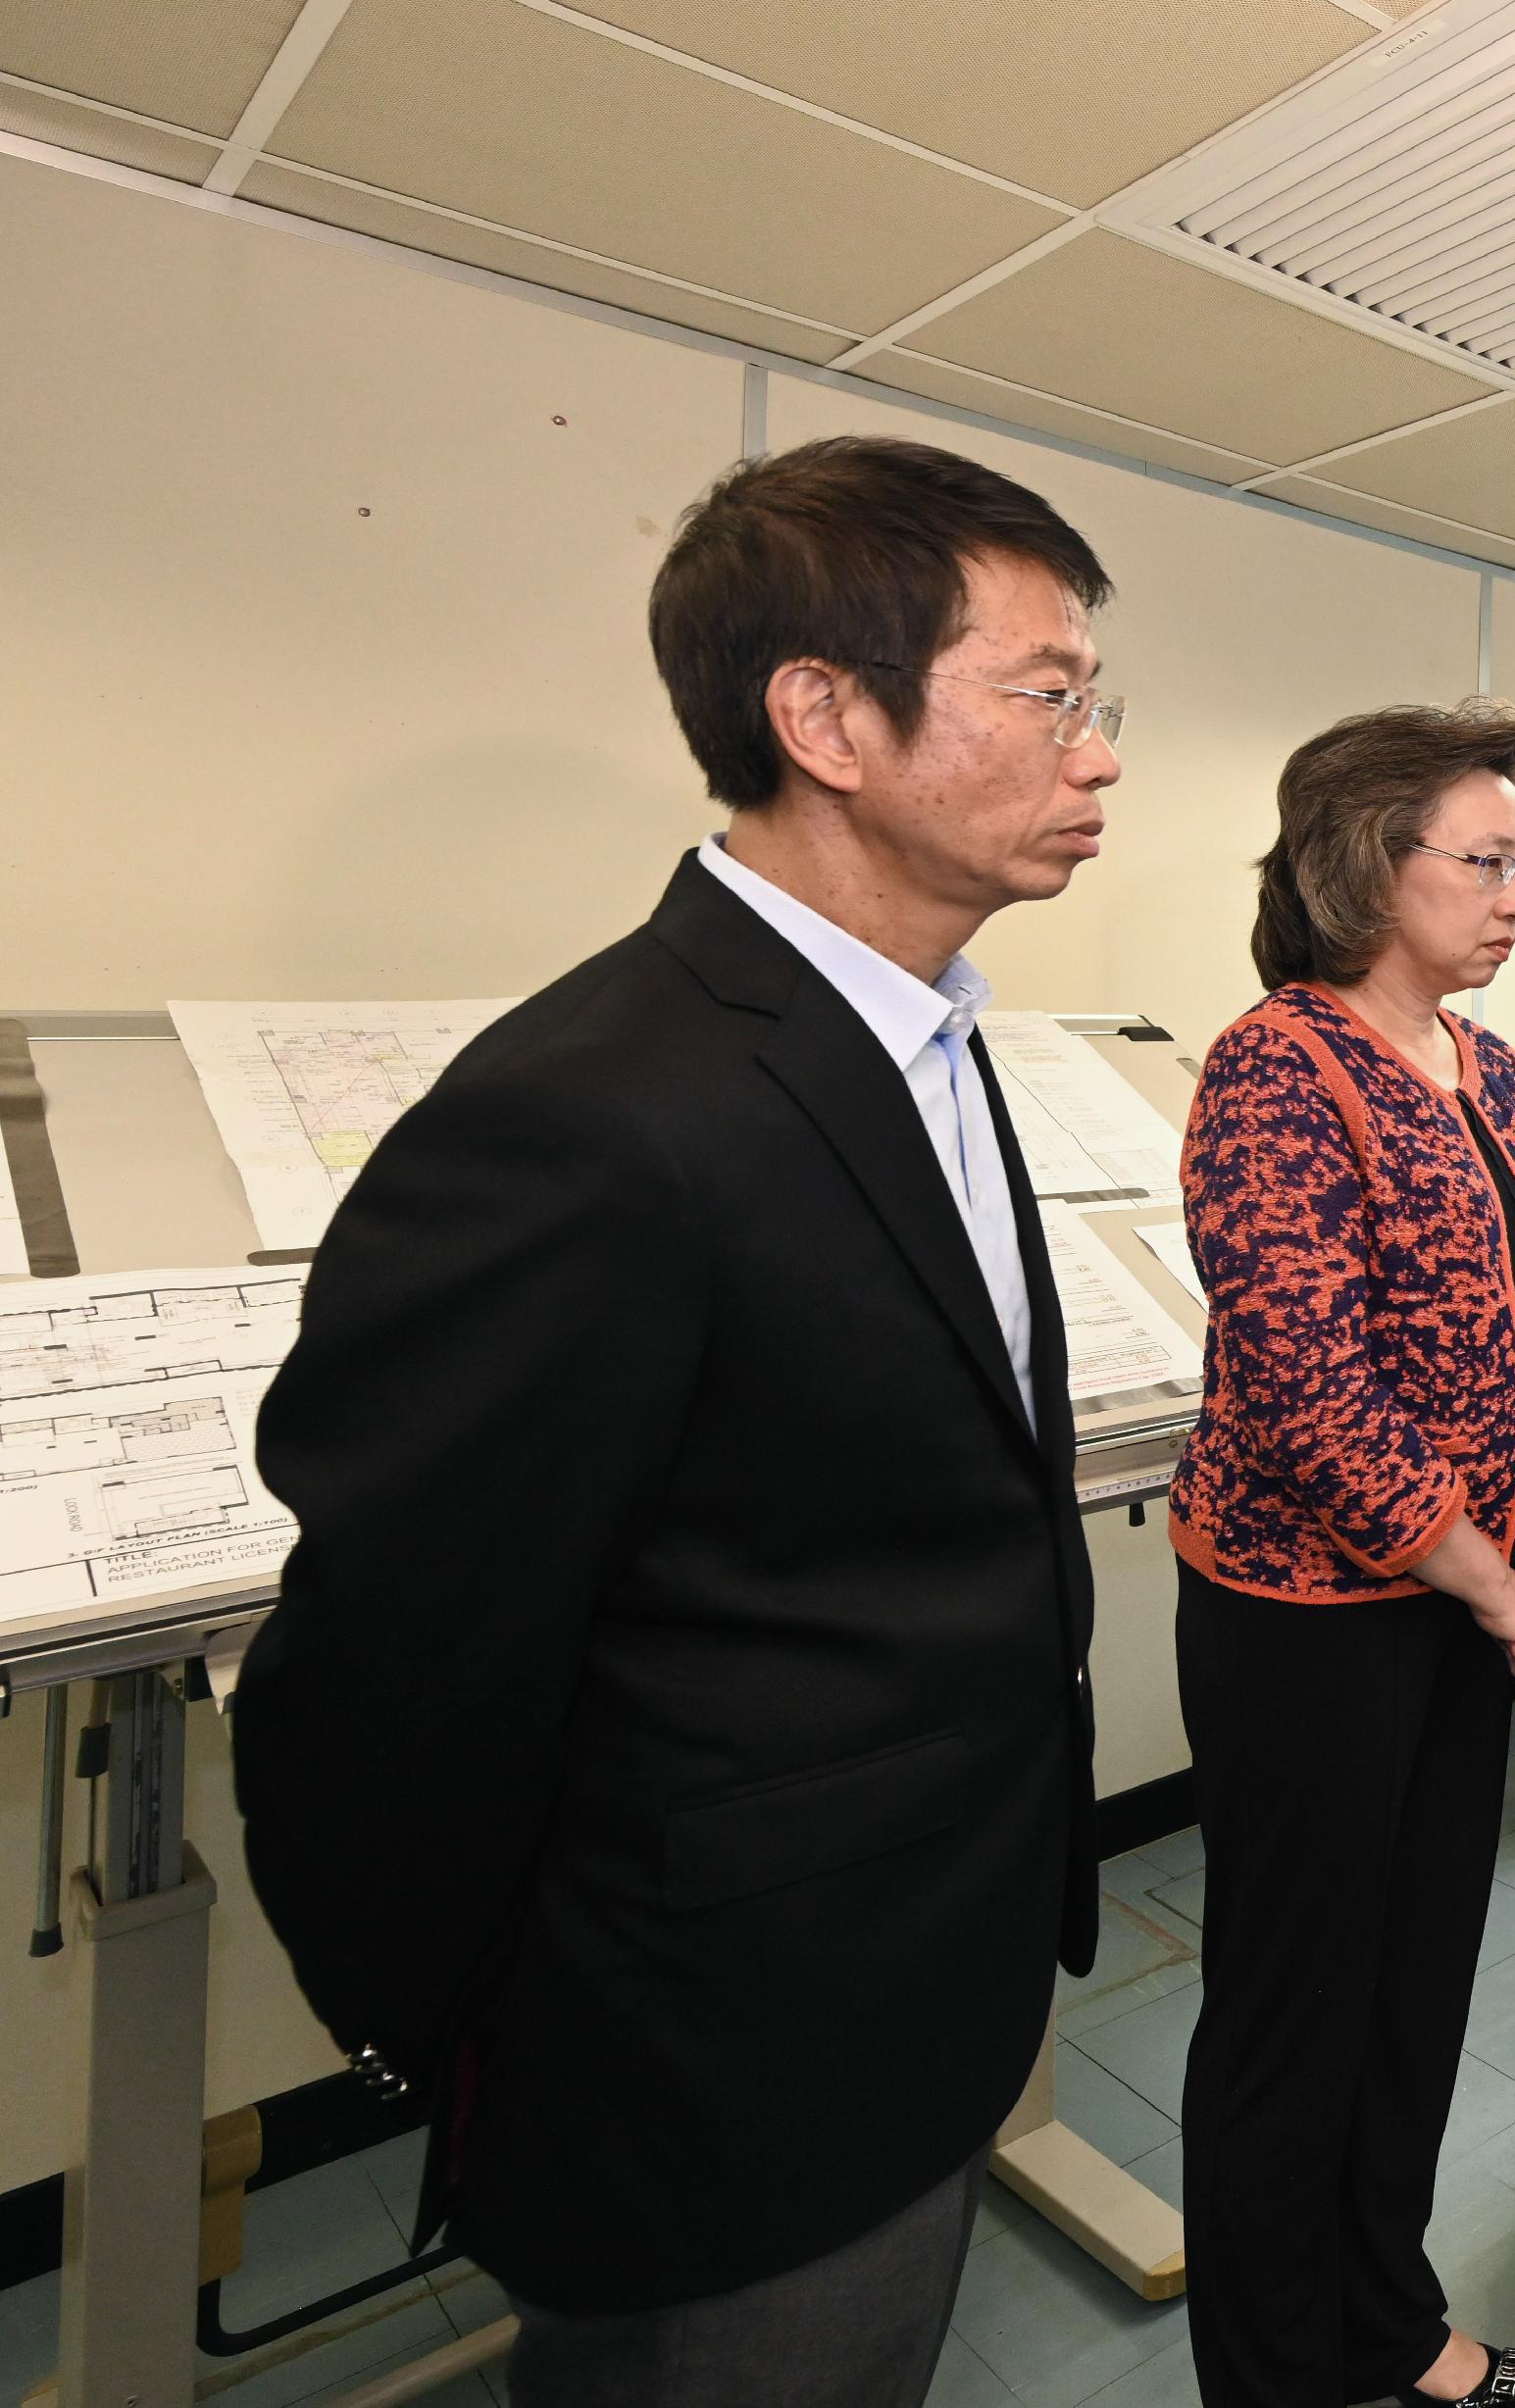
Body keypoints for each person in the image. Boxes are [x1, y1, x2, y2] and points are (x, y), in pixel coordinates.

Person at [232, 435, 1125, 2402]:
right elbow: (386, 1684)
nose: (1098, 750)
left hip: (922, 1981)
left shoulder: (929, 1035)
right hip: (715, 2074)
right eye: (1045, 692)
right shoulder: (587, 1112)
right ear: (823, 714)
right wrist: (500, 2042)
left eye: (1093, 698)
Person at [1166, 701, 1515, 2408]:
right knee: (1295, 2016)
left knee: (1415, 1990)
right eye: (1487, 862)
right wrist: (1499, 1585)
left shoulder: (1491, 1066)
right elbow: (1303, 1382)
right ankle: (1276, 2373)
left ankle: (1384, 2314)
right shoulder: (1277, 1063)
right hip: (1312, 1623)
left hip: (1472, 1607)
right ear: (1368, 864)